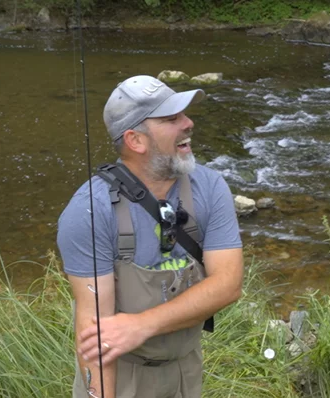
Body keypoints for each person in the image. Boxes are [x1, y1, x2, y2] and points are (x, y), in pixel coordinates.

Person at [56, 75, 244, 398]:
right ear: (135, 140)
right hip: (121, 375)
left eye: (184, 114)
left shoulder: (210, 188)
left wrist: (141, 325)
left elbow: (228, 284)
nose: (189, 123)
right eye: (172, 119)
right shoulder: (88, 212)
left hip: (186, 368)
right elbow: (95, 337)